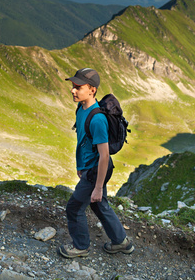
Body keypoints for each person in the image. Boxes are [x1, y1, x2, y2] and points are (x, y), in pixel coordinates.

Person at [59, 68, 134, 258]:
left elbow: (104, 155)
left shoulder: (98, 119)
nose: (73, 90)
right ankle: (121, 242)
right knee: (99, 204)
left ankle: (80, 247)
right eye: (72, 86)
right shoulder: (81, 109)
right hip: (89, 169)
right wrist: (79, 167)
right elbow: (83, 142)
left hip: (96, 170)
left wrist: (98, 186)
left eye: (78, 87)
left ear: (92, 90)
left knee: (74, 208)